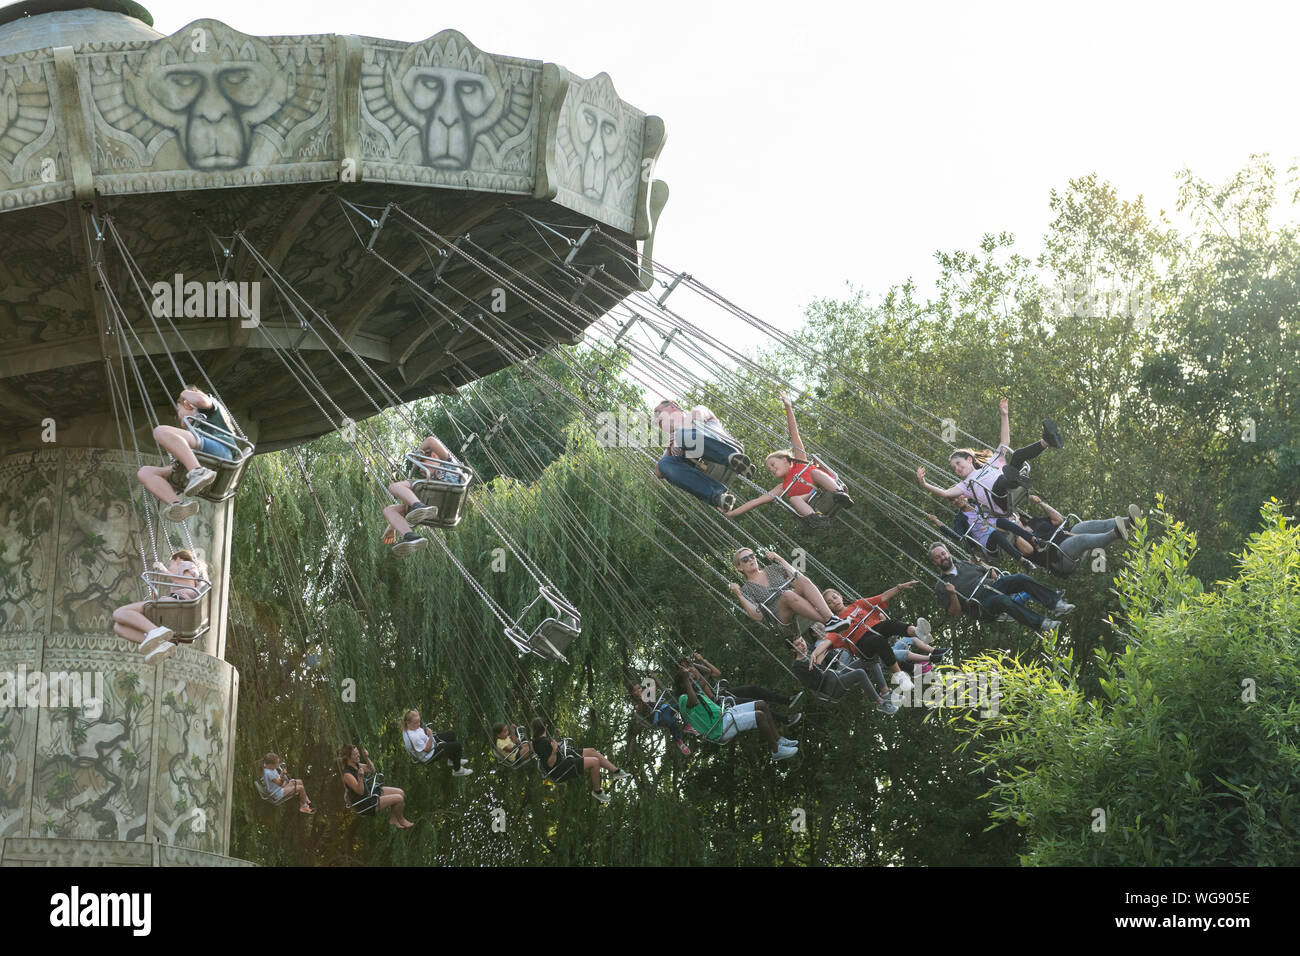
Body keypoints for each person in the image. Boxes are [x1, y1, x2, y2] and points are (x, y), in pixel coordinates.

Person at [916, 398, 1063, 518]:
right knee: (999, 484)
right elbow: (945, 493)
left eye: (958, 463)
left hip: (1008, 486)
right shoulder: (966, 485)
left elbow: (1005, 442)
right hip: (1001, 500)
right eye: (954, 468)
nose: (957, 468)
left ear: (969, 459)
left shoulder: (991, 463)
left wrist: (1004, 415)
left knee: (1016, 455)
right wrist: (924, 484)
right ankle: (1014, 479)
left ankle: (1047, 441)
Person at [724, 391, 853, 523]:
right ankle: (815, 519)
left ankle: (839, 493)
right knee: (793, 499)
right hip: (813, 500)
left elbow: (794, 433)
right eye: (770, 470)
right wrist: (731, 514)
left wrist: (788, 407)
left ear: (785, 460)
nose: (772, 470)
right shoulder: (783, 486)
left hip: (827, 490)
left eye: (773, 465)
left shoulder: (800, 462)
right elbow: (755, 502)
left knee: (814, 471)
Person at [135, 386, 235, 522]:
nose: (178, 416)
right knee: (145, 472)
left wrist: (184, 393)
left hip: (220, 451)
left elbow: (201, 400)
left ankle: (197, 472)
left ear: (188, 404)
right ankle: (177, 505)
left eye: (179, 410)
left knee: (160, 431)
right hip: (205, 460)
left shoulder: (210, 410)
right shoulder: (192, 432)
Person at [927, 541, 1074, 633]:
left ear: (948, 553)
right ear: (934, 562)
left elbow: (994, 576)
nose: (943, 558)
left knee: (1020, 578)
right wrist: (952, 594)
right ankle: (1042, 623)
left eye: (943, 554)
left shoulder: (965, 564)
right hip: (981, 604)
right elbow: (956, 613)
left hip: (993, 585)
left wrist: (980, 563)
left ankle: (1055, 603)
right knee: (1004, 600)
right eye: (938, 557)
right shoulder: (941, 586)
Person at [675, 666, 797, 761]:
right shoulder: (683, 699)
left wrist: (692, 666)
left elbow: (707, 672)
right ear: (682, 684)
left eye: (692, 679)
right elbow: (694, 702)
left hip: (725, 715)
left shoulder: (697, 692)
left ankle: (778, 739)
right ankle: (776, 751)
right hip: (720, 728)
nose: (692, 681)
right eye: (689, 681)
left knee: (761, 704)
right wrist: (685, 678)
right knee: (759, 715)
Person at [995, 497, 1143, 574]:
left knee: (1087, 525)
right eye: (1009, 520)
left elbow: (1059, 520)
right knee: (1081, 539)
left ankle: (1130, 521)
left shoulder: (1034, 522)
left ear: (1018, 517)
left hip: (1065, 534)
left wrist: (1041, 503)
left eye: (1012, 517)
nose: (1012, 519)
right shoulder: (1016, 542)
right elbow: (1029, 551)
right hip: (1059, 555)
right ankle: (1116, 533)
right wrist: (1013, 531)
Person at [651, 399, 752, 511]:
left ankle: (734, 460)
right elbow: (658, 471)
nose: (658, 421)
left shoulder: (696, 411)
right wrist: (669, 448)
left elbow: (699, 413)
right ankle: (718, 496)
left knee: (682, 436)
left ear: (672, 407)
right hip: (709, 471)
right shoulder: (673, 443)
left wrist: (679, 434)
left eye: (659, 414)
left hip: (727, 448)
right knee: (664, 463)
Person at [111, 548, 206, 664]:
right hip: (172, 610)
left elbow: (188, 584)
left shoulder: (185, 564)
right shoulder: (189, 571)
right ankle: (160, 644)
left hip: (176, 606)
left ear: (178, 559)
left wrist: (164, 570)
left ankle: (155, 631)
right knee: (118, 627)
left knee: (119, 613)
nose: (169, 567)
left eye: (170, 564)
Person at [728, 548, 851, 636]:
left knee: (802, 580)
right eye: (745, 559)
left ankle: (831, 619)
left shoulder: (773, 569)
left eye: (752, 556)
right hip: (782, 619)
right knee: (787, 594)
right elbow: (757, 616)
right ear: (739, 567)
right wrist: (738, 594)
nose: (750, 559)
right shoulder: (746, 589)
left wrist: (779, 559)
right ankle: (827, 622)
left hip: (795, 599)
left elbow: (795, 576)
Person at [383, 434, 465, 558]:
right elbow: (406, 504)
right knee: (388, 510)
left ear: (434, 456)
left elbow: (431, 440)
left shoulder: (447, 463)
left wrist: (417, 454)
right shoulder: (427, 486)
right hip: (433, 501)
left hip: (443, 491)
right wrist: (391, 527)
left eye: (422, 463)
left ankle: (418, 506)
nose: (421, 470)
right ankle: (410, 537)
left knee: (394, 487)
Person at [678, 652, 802, 727]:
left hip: (721, 694)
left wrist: (698, 662)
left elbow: (714, 672)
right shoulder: (687, 682)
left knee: (753, 689)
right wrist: (692, 669)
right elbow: (701, 683)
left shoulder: (694, 671)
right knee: (755, 703)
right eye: (685, 664)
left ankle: (787, 700)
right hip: (717, 702)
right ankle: (785, 720)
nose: (688, 666)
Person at [529, 718, 629, 803]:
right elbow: (550, 763)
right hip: (560, 769)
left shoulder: (539, 741)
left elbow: (548, 750)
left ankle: (616, 771)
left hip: (562, 758)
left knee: (592, 751)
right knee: (595, 762)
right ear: (546, 726)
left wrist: (555, 738)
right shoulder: (541, 743)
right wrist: (555, 750)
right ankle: (597, 791)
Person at [789, 635, 898, 713]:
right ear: (793, 650)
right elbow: (814, 684)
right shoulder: (798, 666)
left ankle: (885, 692)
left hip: (835, 675)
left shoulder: (812, 651)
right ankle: (880, 703)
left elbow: (830, 659)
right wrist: (817, 665)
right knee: (859, 673)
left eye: (802, 640)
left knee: (868, 659)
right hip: (829, 688)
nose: (802, 645)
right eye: (798, 644)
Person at [926, 496, 1035, 570]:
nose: (956, 501)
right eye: (952, 501)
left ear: (963, 495)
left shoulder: (977, 502)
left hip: (998, 529)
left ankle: (1035, 539)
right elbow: (957, 536)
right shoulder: (959, 519)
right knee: (995, 534)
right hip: (987, 543)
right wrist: (938, 524)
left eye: (956, 497)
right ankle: (1023, 561)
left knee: (1004, 522)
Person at [339, 744, 412, 828]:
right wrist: (360, 777)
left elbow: (371, 769)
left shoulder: (356, 765)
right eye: (355, 754)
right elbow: (360, 791)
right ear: (348, 758)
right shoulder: (347, 774)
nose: (358, 755)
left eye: (358, 752)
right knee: (399, 798)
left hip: (370, 793)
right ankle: (401, 819)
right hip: (365, 803)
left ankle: (394, 819)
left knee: (400, 792)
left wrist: (366, 758)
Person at [627, 680, 693, 756]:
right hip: (656, 718)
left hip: (662, 710)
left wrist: (652, 682)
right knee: (669, 720)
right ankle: (679, 741)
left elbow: (655, 687)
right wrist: (640, 700)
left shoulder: (645, 692)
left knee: (679, 705)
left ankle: (686, 725)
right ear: (632, 693)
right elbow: (639, 709)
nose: (638, 691)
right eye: (635, 690)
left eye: (639, 688)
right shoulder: (635, 701)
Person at [402, 709, 473, 776]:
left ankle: (452, 760)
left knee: (451, 734)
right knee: (457, 746)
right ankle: (457, 770)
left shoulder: (409, 727)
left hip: (429, 741)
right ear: (408, 723)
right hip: (429, 755)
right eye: (416, 723)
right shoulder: (414, 738)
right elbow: (427, 750)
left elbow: (412, 719)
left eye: (419, 721)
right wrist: (430, 736)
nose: (418, 724)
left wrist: (416, 714)